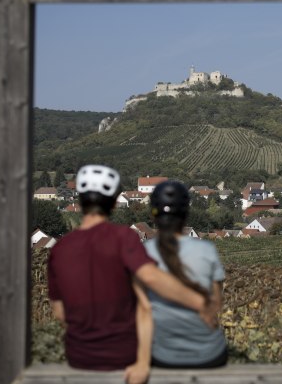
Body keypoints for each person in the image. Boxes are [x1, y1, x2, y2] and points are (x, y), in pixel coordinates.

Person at [47, 164, 217, 384]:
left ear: (79, 201)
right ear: (115, 203)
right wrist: (199, 302)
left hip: (79, 358)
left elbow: (60, 313)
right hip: (124, 358)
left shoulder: (59, 249)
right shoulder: (122, 237)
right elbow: (150, 280)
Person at [141, 180, 228, 368]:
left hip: (162, 355)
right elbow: (216, 303)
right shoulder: (207, 249)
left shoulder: (143, 253)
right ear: (186, 215)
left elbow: (142, 310)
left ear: (153, 214)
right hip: (209, 355)